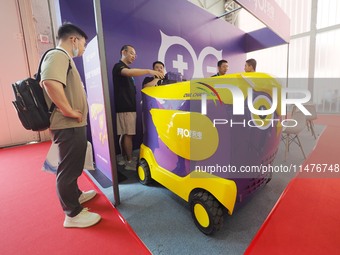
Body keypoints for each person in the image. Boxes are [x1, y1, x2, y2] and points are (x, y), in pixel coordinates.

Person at [41, 23, 101, 228]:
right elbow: (49, 82)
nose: (83, 49)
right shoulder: (58, 55)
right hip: (67, 124)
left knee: (74, 164)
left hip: (71, 124)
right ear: (74, 40)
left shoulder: (64, 58)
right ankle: (72, 214)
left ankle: (75, 195)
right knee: (67, 169)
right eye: (83, 44)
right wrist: (67, 111)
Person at [112, 45, 164, 170]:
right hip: (125, 107)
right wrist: (149, 71)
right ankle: (129, 162)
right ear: (123, 52)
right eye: (131, 53)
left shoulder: (126, 68)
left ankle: (125, 158)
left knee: (125, 134)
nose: (134, 56)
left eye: (135, 54)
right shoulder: (119, 67)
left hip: (129, 106)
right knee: (128, 134)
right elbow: (130, 73)